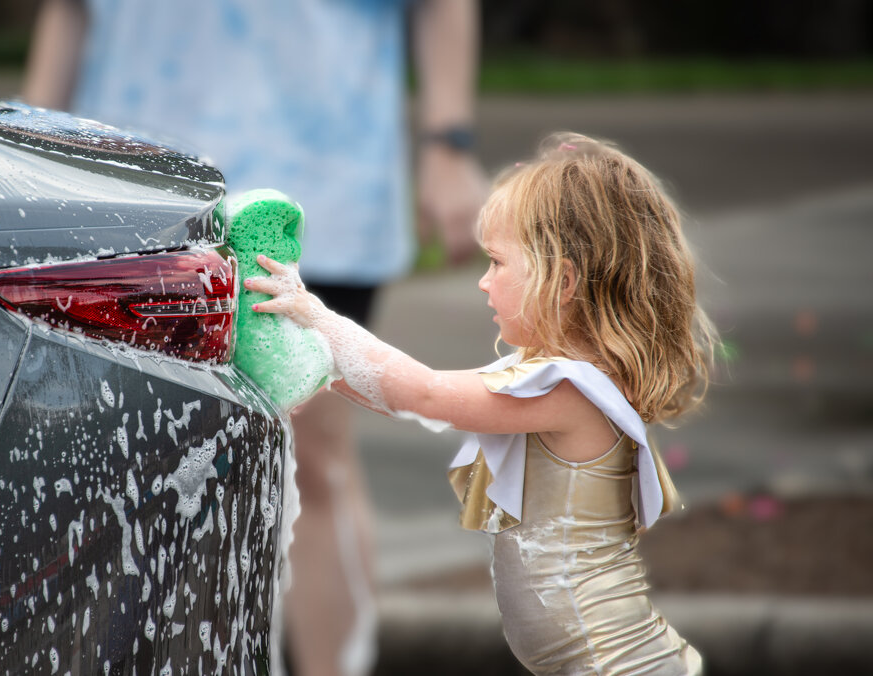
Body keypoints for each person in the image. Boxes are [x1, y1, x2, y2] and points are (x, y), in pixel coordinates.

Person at [22, 2, 490, 675]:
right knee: (125, 464)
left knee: (309, 455)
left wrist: (448, 143)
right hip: (123, 178)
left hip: (308, 187)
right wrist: (31, 143)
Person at [247, 132, 715, 675]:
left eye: (497, 263)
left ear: (561, 279)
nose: (483, 283)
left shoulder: (569, 389)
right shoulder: (552, 377)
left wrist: (315, 317)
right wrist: (308, 364)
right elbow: (402, 395)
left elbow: (422, 392)